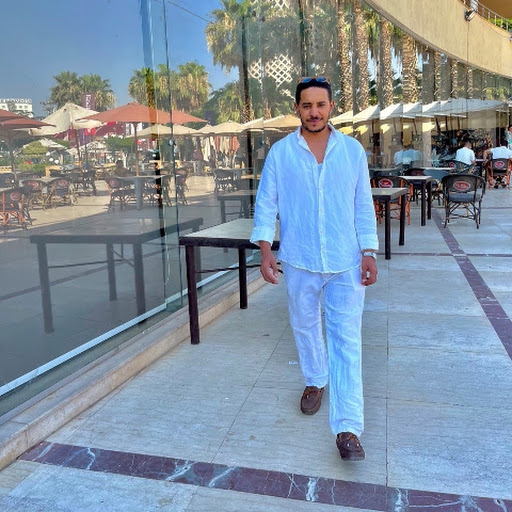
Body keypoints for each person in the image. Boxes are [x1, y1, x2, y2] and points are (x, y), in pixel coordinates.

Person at [250, 76, 378, 462]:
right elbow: (266, 202)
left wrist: (369, 251)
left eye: (320, 104)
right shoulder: (281, 154)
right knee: (305, 327)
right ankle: (315, 380)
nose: (314, 112)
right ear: (297, 109)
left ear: (331, 106)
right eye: (307, 105)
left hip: (345, 261)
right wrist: (265, 249)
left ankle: (348, 429)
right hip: (299, 259)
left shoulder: (352, 151)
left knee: (346, 341)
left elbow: (363, 205)